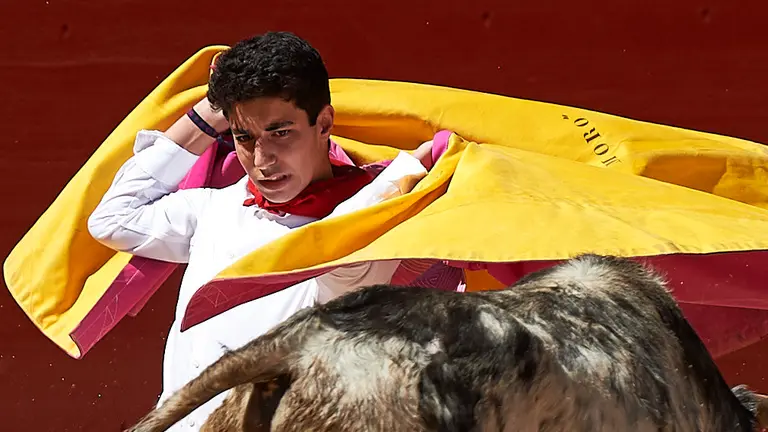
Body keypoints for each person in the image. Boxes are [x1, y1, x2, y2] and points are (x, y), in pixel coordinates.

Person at [88, 31, 436, 431]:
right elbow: (113, 218)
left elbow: (341, 259)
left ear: (323, 123)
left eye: (280, 132)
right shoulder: (217, 208)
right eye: (244, 137)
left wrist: (402, 177)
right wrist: (213, 110)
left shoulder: (367, 224)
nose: (262, 160)